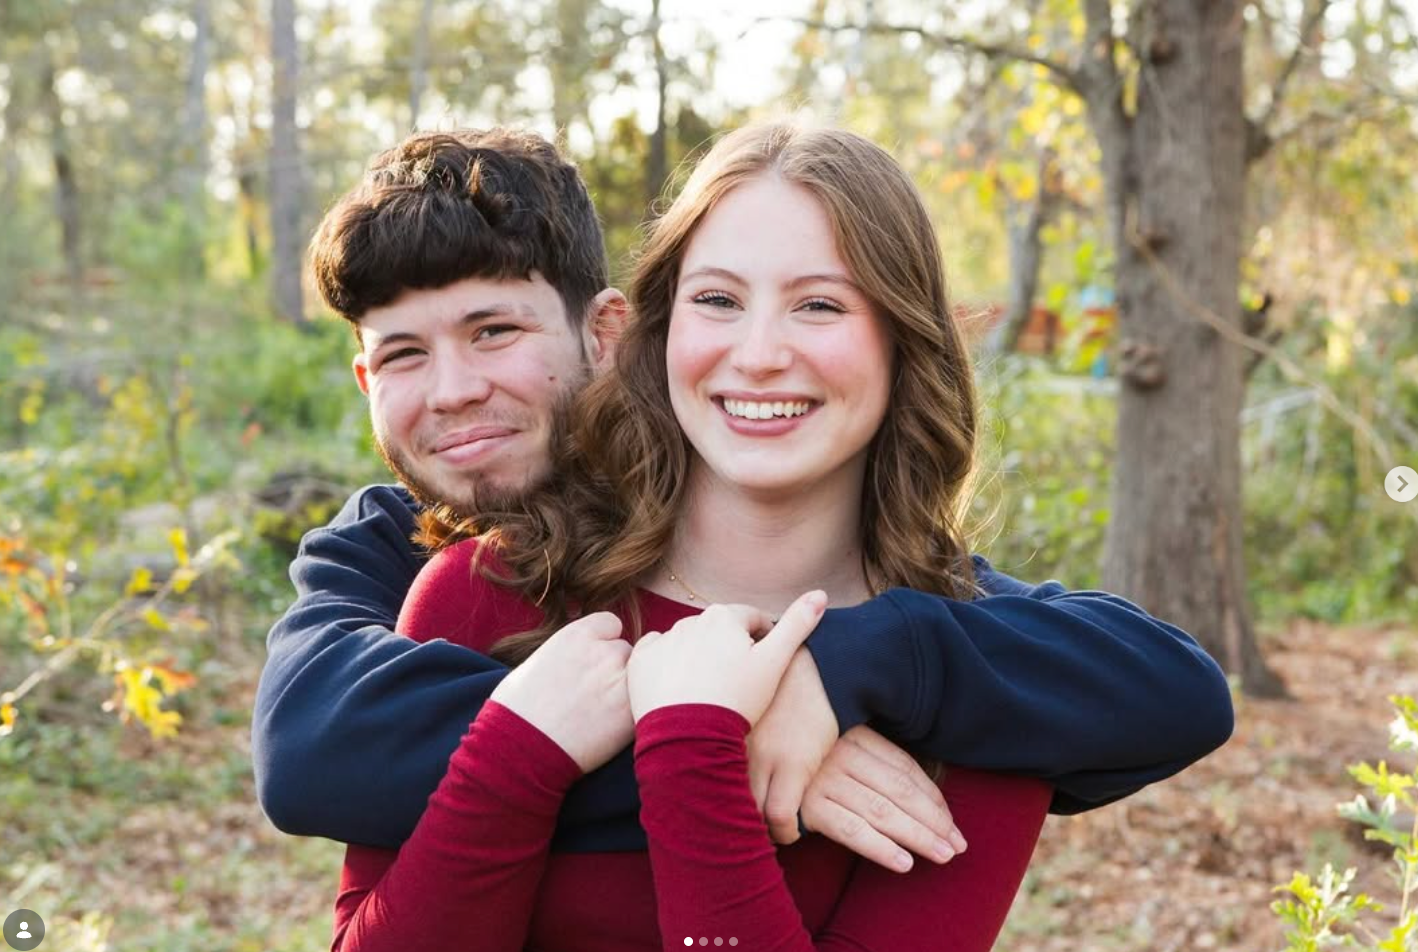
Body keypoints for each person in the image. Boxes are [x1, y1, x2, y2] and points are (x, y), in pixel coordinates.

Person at [252, 126, 1233, 925]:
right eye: (717, 299)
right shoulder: (479, 587)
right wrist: (535, 746)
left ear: (902, 342)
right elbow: (306, 754)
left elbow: (1179, 689)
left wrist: (712, 740)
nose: (758, 353)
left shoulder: (975, 684)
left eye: (817, 304)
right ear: (660, 332)